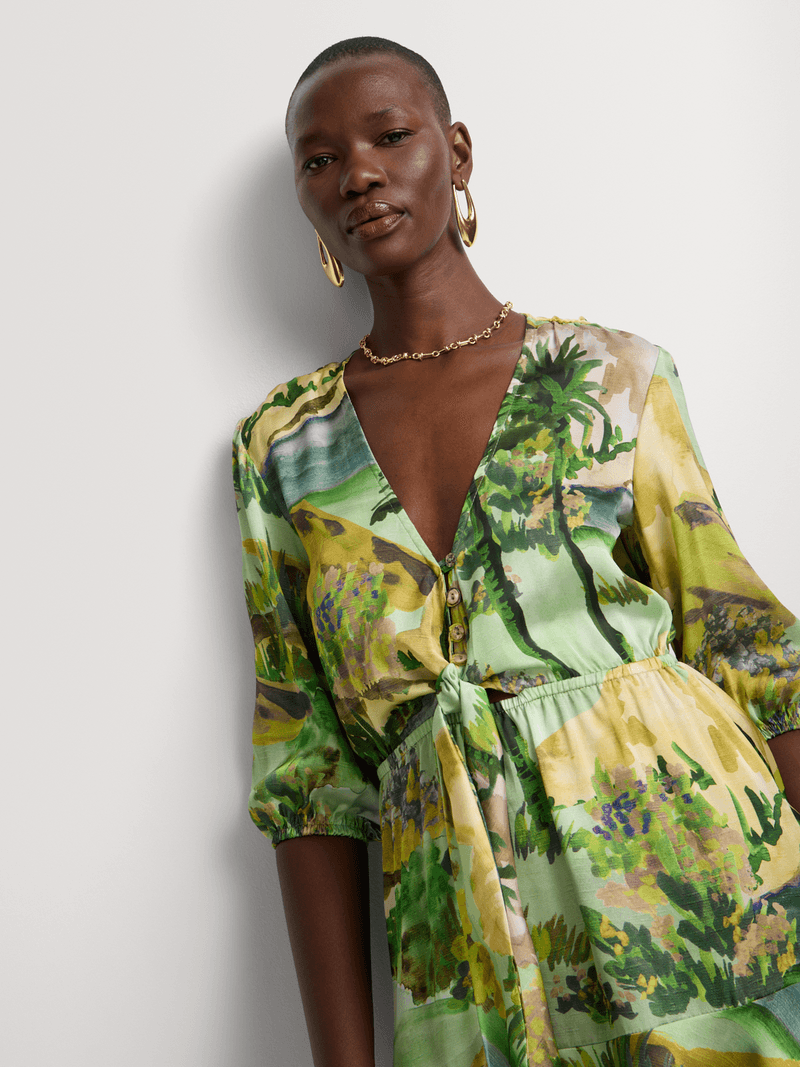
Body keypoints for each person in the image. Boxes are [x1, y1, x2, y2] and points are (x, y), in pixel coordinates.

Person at [232, 36, 800, 1067]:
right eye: (318, 159)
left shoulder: (613, 373)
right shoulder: (283, 447)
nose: (356, 173)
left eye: (389, 137)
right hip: (463, 942)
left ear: (455, 153)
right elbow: (306, 773)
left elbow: (752, 650)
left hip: (694, 881)